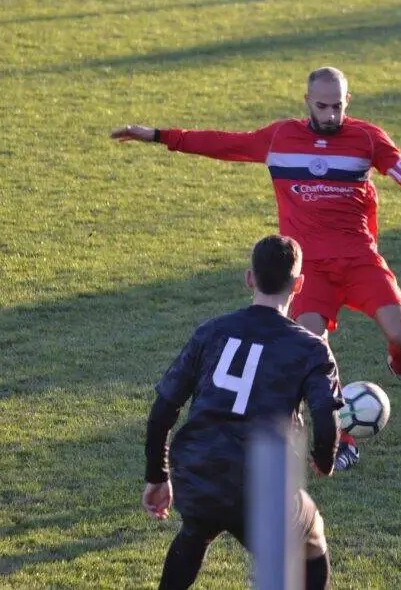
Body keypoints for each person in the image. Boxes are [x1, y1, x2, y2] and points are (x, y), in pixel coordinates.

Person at [114, 66, 401, 471]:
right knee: (312, 356)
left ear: (349, 101)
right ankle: (343, 441)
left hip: (360, 259)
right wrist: (158, 135)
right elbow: (223, 144)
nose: (330, 114)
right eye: (322, 105)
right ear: (307, 101)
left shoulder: (367, 139)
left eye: (337, 106)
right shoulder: (280, 138)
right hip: (310, 271)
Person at [143, 234, 342, 590]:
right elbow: (325, 415)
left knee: (197, 529)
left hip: (198, 467)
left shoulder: (211, 331)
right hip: (260, 480)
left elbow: (163, 411)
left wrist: (158, 477)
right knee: (312, 534)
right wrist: (325, 458)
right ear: (299, 285)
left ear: (249, 278)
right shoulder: (311, 348)